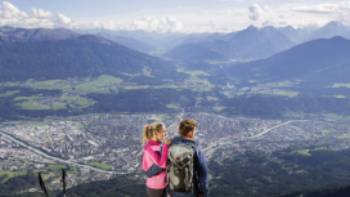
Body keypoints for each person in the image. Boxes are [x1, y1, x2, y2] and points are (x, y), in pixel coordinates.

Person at [167, 119, 208, 197]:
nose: (194, 133)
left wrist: (168, 191)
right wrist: (203, 192)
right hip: (190, 191)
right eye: (194, 131)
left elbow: (167, 167)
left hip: (173, 189)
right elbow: (203, 173)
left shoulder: (171, 143)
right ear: (190, 132)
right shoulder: (194, 146)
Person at [142, 122, 171, 197]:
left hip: (164, 183)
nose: (165, 134)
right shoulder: (150, 147)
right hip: (155, 186)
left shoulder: (159, 144)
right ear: (156, 132)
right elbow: (162, 164)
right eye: (163, 131)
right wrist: (165, 146)